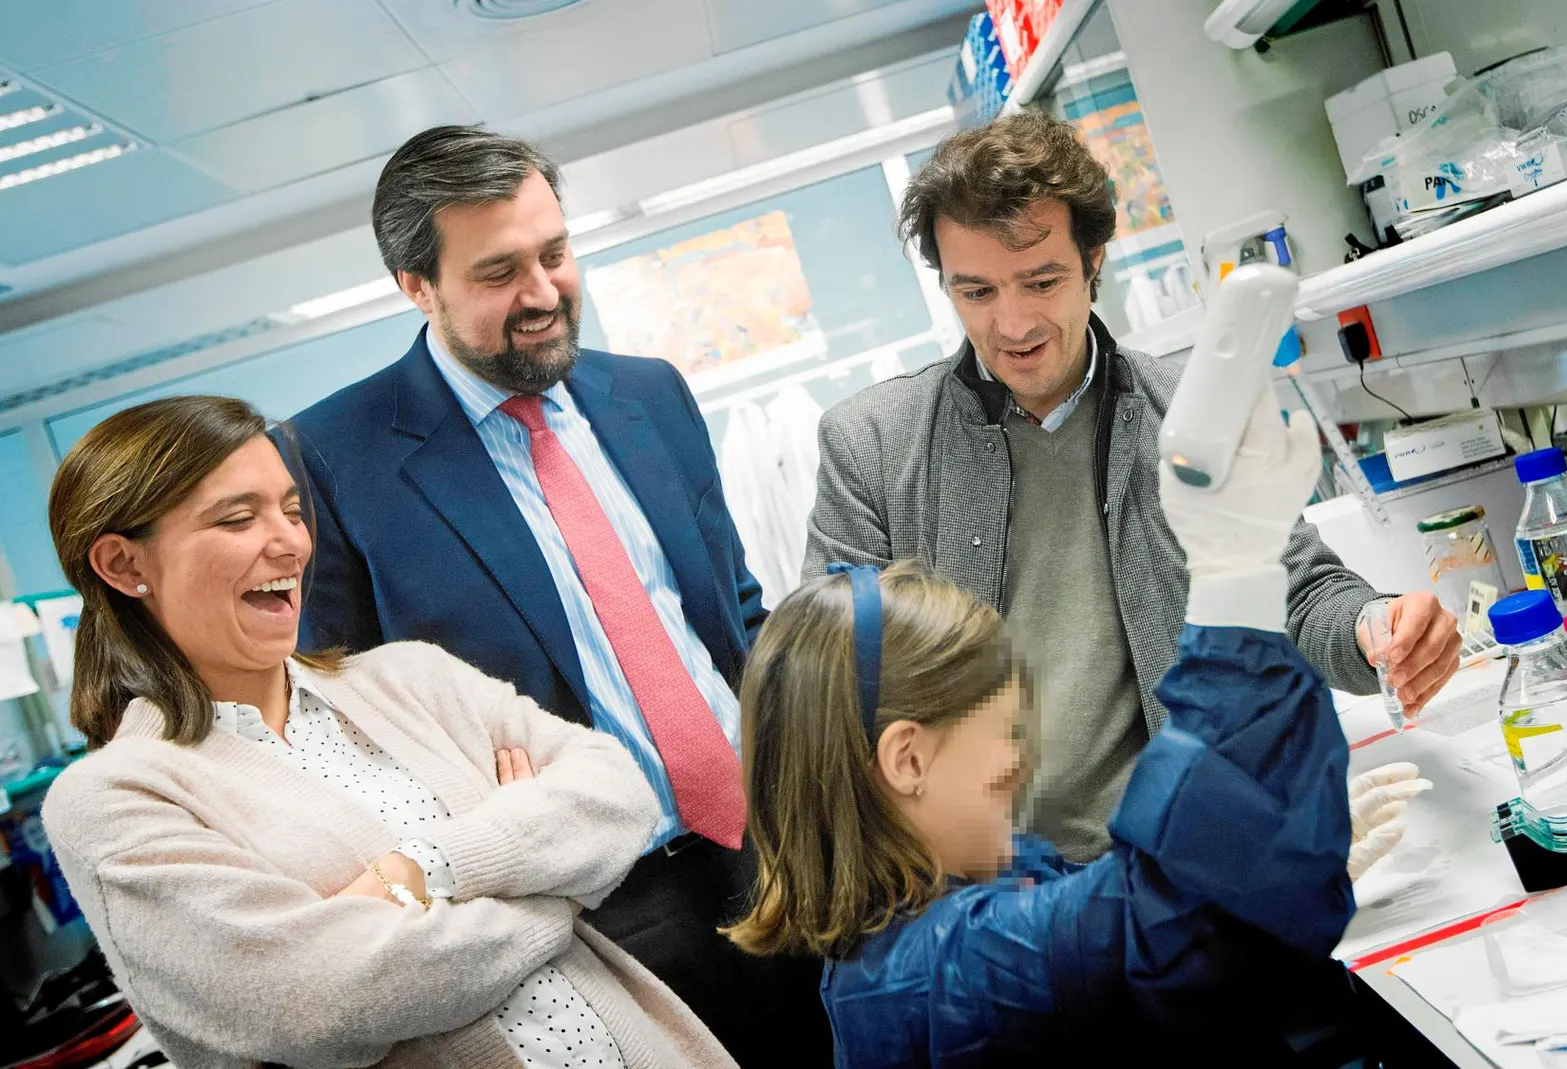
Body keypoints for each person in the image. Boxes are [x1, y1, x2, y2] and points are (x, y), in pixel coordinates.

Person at [290, 126, 825, 1065]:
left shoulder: (650, 394)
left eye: (556, 253)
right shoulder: (337, 457)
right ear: (416, 285)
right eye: (499, 272)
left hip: (773, 842)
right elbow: (332, 720)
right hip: (593, 899)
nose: (542, 293)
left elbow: (729, 611)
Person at [802, 111, 1461, 863]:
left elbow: (1299, 592)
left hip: (1191, 856)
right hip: (986, 898)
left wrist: (1376, 631)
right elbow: (827, 701)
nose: (1012, 322)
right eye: (976, 291)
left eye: (1041, 281)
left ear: (1093, 260)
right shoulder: (873, 447)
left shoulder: (1193, 408)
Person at [40, 395, 734, 1069]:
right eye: (236, 519)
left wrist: (421, 869)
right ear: (124, 565)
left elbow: (619, 794)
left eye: (289, 509)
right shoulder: (117, 798)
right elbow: (322, 998)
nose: (289, 541)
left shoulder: (412, 678)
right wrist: (554, 892)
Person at [733, 386, 1401, 1066]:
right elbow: (1143, 921)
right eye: (1001, 733)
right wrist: (1235, 582)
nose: (1022, 762)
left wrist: (1259, 884)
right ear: (907, 758)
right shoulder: (935, 973)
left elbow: (1159, 951)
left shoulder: (994, 875)